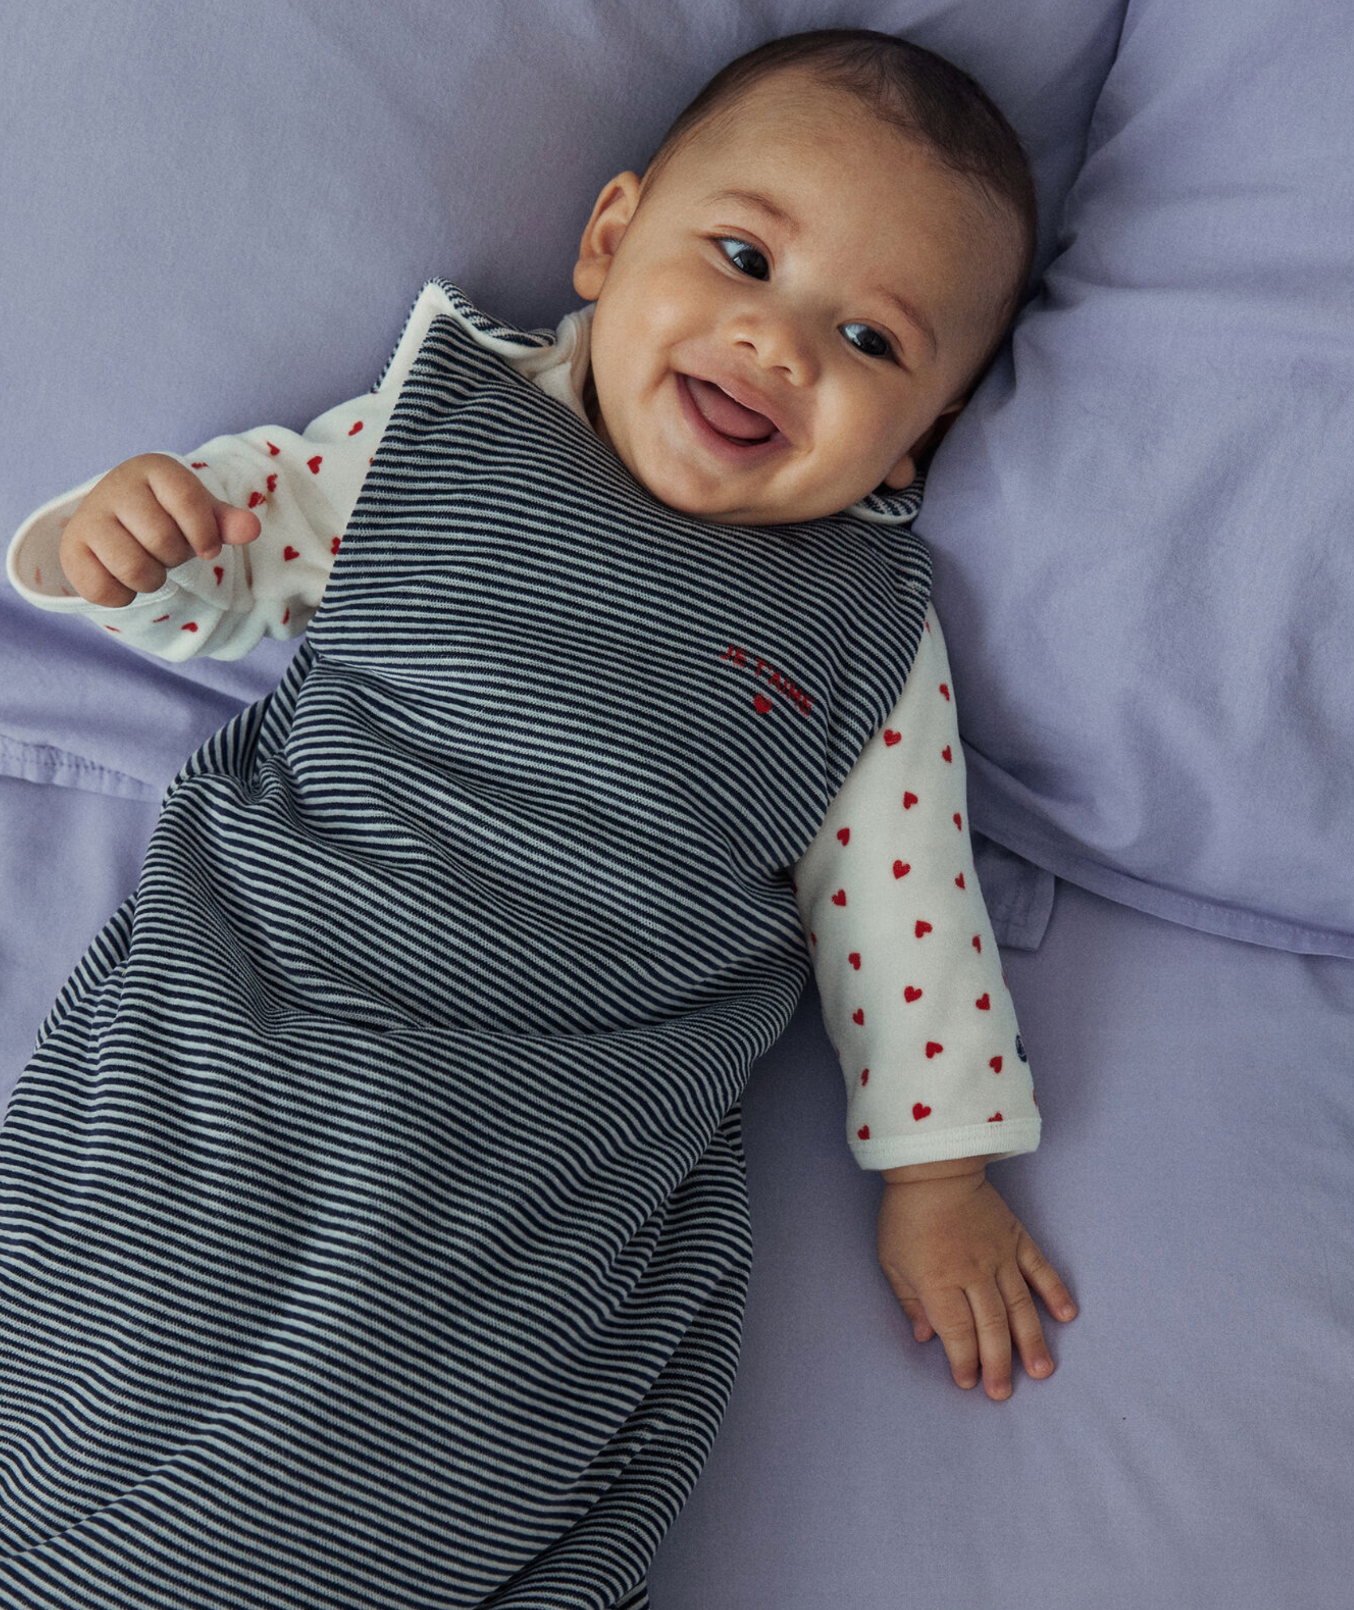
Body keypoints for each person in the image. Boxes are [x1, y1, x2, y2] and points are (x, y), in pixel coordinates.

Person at [1, 27, 1076, 1610]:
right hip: (279, 997)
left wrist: (940, 1175)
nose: (775, 342)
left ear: (915, 433)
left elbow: (906, 914)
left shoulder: (858, 627)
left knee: (458, 1396)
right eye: (742, 256)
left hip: (554, 1111)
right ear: (608, 238)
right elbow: (224, 565)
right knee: (121, 1301)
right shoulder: (438, 432)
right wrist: (115, 543)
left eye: (867, 337)